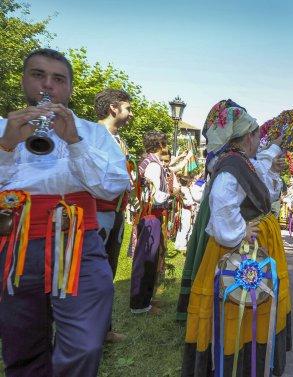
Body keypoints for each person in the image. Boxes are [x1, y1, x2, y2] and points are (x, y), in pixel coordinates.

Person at [0, 48, 129, 376]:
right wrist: (6, 146)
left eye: (58, 79)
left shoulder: (92, 132)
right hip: (16, 243)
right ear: (24, 80)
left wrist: (74, 141)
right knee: (21, 342)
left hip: (79, 242)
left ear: (69, 88)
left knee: (85, 342)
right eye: (38, 75)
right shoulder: (5, 126)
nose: (48, 85)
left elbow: (112, 186)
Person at [182, 100, 291, 376]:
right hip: (239, 247)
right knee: (239, 300)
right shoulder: (233, 164)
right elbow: (221, 197)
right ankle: (236, 362)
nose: (260, 142)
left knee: (251, 300)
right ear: (247, 137)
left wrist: (275, 152)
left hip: (253, 241)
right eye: (258, 136)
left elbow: (264, 175)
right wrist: (238, 231)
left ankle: (250, 356)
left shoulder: (244, 161)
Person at [93, 88, 133, 342]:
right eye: (127, 108)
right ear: (113, 108)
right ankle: (91, 330)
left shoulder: (120, 139)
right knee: (95, 272)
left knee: (108, 271)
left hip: (117, 212)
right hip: (98, 212)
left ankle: (103, 329)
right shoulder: (94, 135)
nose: (130, 114)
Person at [130, 131, 174, 315]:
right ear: (161, 144)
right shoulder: (154, 165)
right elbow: (155, 196)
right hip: (150, 216)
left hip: (151, 216)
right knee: (146, 258)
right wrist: (170, 197)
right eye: (165, 143)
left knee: (151, 258)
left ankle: (146, 299)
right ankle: (140, 304)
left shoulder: (151, 162)